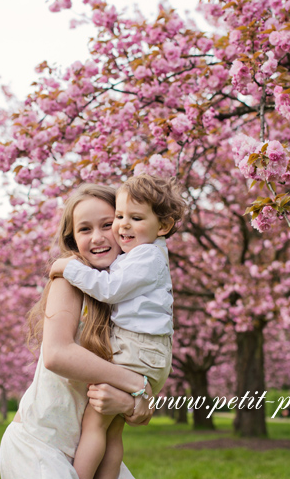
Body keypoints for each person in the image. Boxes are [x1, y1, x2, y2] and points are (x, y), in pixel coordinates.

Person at [0, 184, 155, 479]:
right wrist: (138, 386)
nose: (97, 237)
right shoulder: (69, 281)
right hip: (40, 444)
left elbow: (138, 404)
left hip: (90, 449)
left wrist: (133, 401)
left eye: (107, 225)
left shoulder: (134, 296)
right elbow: (57, 355)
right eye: (84, 229)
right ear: (73, 239)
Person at [50, 174, 187, 479]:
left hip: (137, 348)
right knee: (111, 432)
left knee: (94, 424)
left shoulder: (146, 256)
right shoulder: (143, 254)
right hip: (146, 351)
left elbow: (109, 289)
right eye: (121, 217)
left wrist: (69, 267)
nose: (123, 225)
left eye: (135, 218)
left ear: (162, 226)